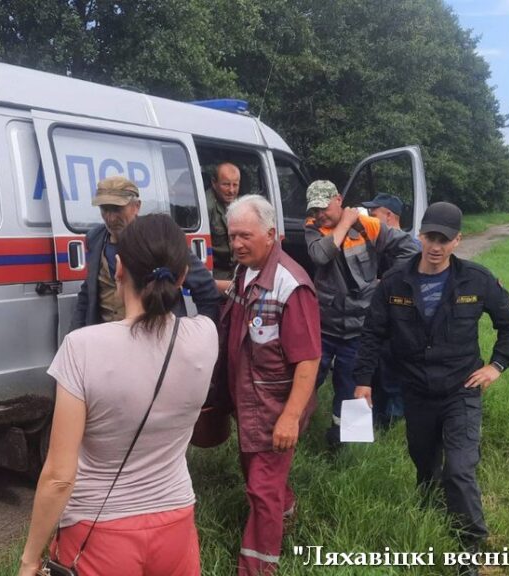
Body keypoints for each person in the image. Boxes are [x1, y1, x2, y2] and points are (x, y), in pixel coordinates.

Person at [19, 214, 219, 576]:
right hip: (175, 521)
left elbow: (59, 475)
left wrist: (30, 559)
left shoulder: (82, 347)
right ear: (184, 276)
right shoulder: (205, 337)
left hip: (98, 530)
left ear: (118, 267)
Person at [353, 202, 509, 576]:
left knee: (460, 469)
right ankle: (427, 507)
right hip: (416, 389)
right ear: (419, 235)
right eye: (430, 237)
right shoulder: (395, 283)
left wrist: (496, 366)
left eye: (444, 240)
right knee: (423, 460)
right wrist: (363, 381)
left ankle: (470, 547)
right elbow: (372, 335)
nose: (435, 246)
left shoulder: (476, 280)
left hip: (461, 388)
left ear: (457, 240)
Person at [218, 195, 321, 575]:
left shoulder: (292, 286)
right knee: (259, 478)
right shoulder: (246, 273)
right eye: (232, 237)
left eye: (245, 235)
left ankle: (257, 567)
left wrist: (290, 418)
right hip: (248, 404)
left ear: (272, 235)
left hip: (275, 408)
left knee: (262, 490)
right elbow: (234, 301)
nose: (237, 244)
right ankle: (287, 511)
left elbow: (308, 360)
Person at [304, 182, 419, 446]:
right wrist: (345, 223)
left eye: (323, 207)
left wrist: (386, 281)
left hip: (358, 329)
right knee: (306, 380)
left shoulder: (368, 226)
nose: (319, 213)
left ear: (338, 199)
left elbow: (411, 250)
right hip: (323, 327)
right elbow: (321, 256)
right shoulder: (312, 227)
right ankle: (292, 430)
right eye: (315, 209)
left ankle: (342, 445)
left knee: (350, 388)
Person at [71, 175, 221, 330]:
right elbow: (87, 294)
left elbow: (206, 289)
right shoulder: (95, 239)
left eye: (117, 209)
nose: (110, 218)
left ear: (136, 206)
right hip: (107, 340)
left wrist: (203, 334)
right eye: (105, 209)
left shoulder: (159, 239)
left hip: (155, 338)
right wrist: (73, 334)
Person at [361, 192, 421, 429]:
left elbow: (406, 271)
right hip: (380, 321)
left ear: (388, 216)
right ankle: (377, 420)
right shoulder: (380, 242)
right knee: (377, 373)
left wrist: (383, 282)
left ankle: (393, 425)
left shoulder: (410, 243)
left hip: (400, 323)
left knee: (393, 377)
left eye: (373, 215)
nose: (370, 219)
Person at [205, 162, 241, 292]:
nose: (231, 190)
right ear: (214, 183)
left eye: (235, 185)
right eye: (226, 184)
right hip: (216, 274)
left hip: (236, 271)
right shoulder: (207, 206)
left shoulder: (241, 204)